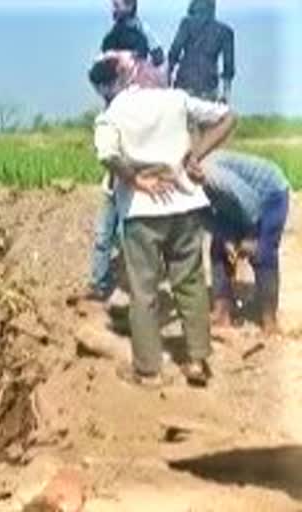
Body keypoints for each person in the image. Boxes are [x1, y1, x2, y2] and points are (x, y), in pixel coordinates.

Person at [88, 52, 236, 388]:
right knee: (190, 283)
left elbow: (108, 154)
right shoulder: (176, 99)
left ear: (112, 83)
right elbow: (228, 117)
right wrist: (195, 155)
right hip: (185, 204)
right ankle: (197, 360)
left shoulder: (113, 113)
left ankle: (149, 370)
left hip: (143, 211)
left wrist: (135, 180)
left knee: (144, 290)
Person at [86, 49, 163, 301]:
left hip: (129, 182)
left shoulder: (132, 104)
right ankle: (98, 284)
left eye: (103, 86)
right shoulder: (109, 109)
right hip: (112, 183)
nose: (101, 92)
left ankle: (137, 289)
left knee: (127, 236)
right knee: (102, 235)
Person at [188, 150, 289, 335]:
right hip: (233, 203)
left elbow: (249, 202)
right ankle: (222, 313)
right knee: (219, 250)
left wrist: (250, 236)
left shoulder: (211, 175)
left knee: (261, 253)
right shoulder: (182, 193)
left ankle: (270, 321)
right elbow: (206, 218)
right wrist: (227, 237)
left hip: (269, 193)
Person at [168, 0, 235, 102]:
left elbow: (175, 50)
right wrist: (226, 93)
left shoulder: (186, 24)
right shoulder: (226, 31)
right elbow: (228, 65)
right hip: (208, 84)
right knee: (206, 115)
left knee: (183, 115)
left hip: (184, 81)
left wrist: (168, 77)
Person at [105, 0, 165, 68]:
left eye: (116, 6)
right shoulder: (115, 30)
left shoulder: (142, 30)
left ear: (129, 6)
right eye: (113, 5)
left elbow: (159, 56)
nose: (113, 10)